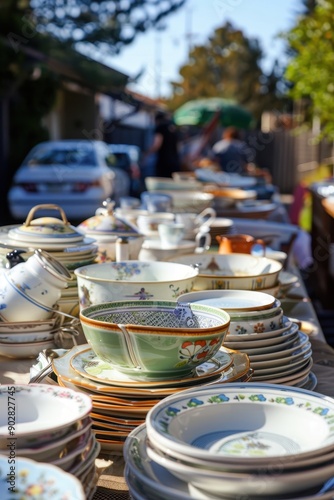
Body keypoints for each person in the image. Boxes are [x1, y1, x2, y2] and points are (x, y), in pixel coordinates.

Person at [144, 111, 181, 178]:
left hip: (164, 163)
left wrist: (146, 154)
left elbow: (157, 144)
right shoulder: (173, 128)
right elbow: (178, 146)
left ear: (156, 120)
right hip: (175, 162)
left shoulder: (160, 127)